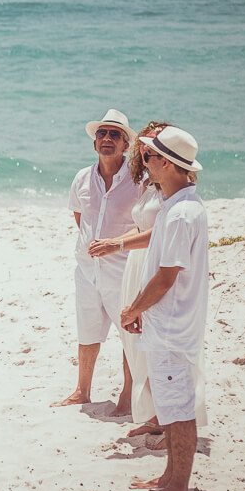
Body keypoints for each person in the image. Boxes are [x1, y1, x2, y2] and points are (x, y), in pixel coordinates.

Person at [121, 126, 209, 491]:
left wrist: (134, 308)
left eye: (151, 156)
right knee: (171, 409)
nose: (147, 162)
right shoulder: (178, 206)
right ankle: (170, 476)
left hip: (173, 329)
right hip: (168, 326)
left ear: (169, 164)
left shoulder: (180, 214)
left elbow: (166, 276)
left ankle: (178, 487)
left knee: (180, 413)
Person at [57, 109, 142, 415]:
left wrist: (113, 245)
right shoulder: (82, 177)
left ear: (126, 144)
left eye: (114, 134)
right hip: (87, 270)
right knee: (87, 330)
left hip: (123, 270)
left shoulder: (139, 180)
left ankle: (127, 397)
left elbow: (146, 225)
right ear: (94, 143)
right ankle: (82, 391)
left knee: (129, 334)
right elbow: (80, 217)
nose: (107, 138)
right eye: (102, 134)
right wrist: (92, 246)